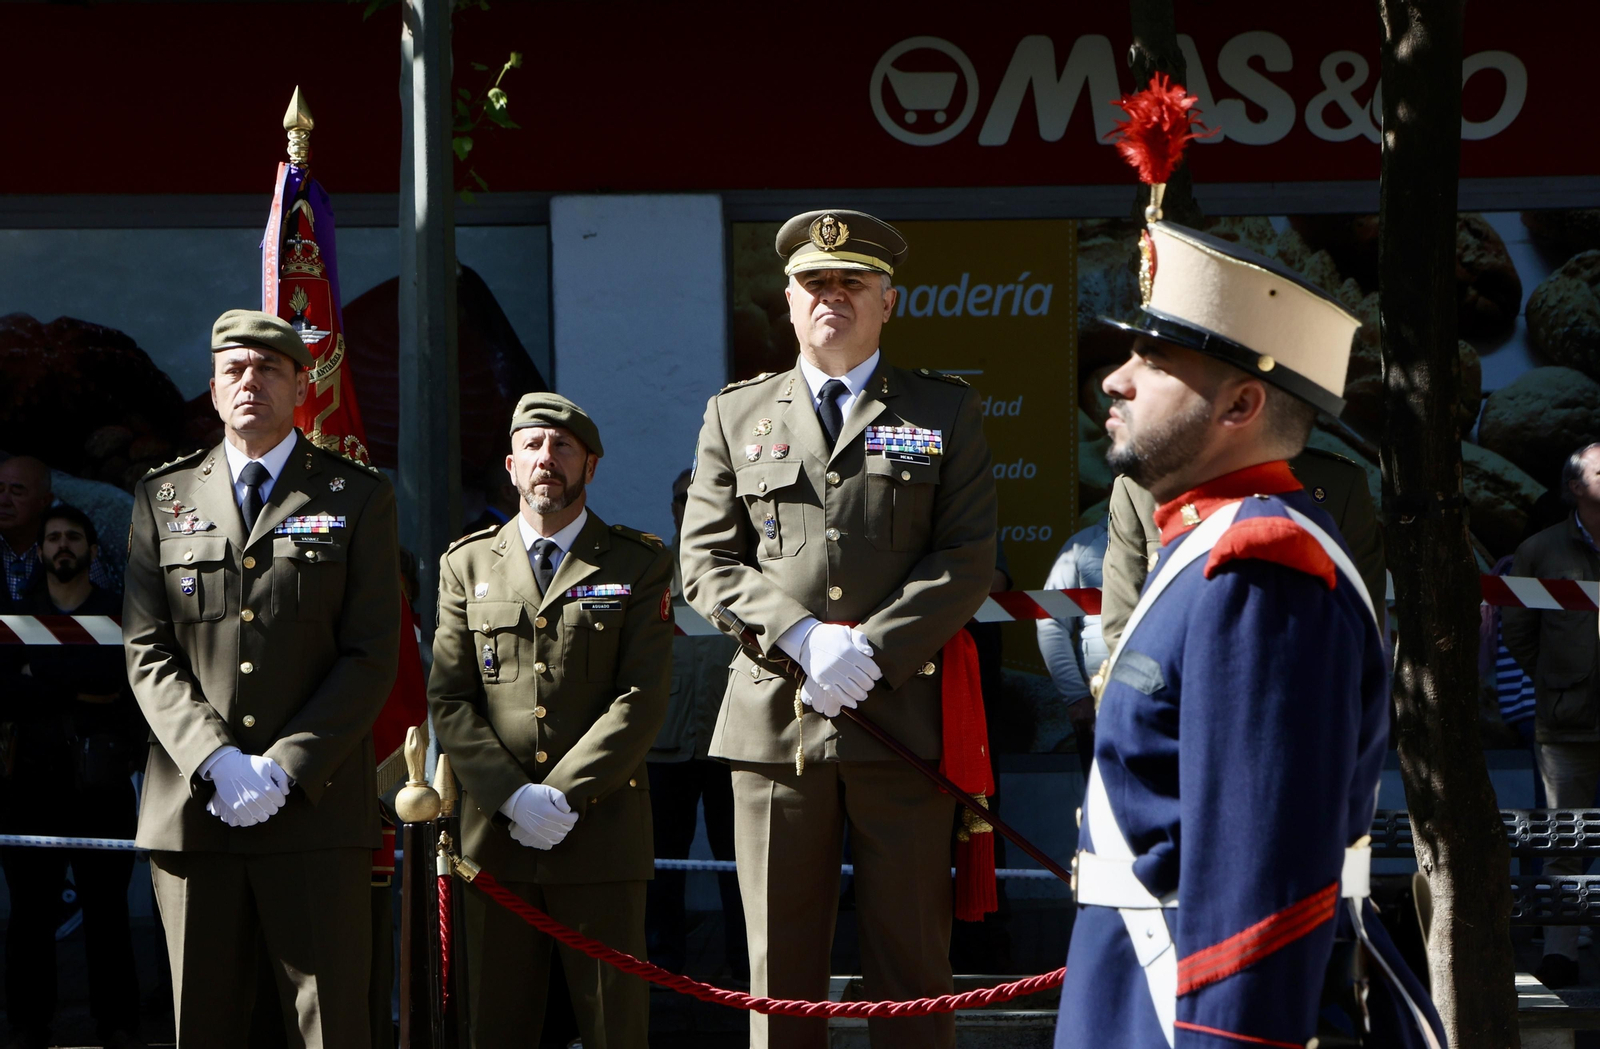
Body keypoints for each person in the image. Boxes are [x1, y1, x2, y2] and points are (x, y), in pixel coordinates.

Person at [1056, 221, 1442, 1048]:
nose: (1116, 380)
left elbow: (1260, 885)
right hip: (1139, 988)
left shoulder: (1258, 570)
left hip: (1185, 1008)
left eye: (1154, 360)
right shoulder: (1203, 544)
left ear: (1241, 404)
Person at [680, 209, 998, 1049]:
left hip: (901, 720)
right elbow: (706, 559)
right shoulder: (736, 414)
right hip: (774, 726)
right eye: (814, 283)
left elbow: (967, 557)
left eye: (852, 282)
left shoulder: (944, 410)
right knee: (779, 974)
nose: (832, 296)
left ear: (888, 300)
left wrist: (870, 648)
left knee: (912, 965)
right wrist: (801, 635)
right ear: (787, 302)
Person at [122, 309, 401, 1049]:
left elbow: (372, 651)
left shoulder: (356, 496)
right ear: (214, 390)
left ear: (302, 387)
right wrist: (214, 758)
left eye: (270, 368)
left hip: (315, 809)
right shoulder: (163, 497)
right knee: (204, 1022)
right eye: (235, 369)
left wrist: (287, 765)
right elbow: (147, 648)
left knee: (328, 1025)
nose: (251, 381)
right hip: (195, 808)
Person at [428, 392, 673, 1049]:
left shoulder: (638, 562)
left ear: (590, 466)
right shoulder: (466, 563)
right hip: (495, 842)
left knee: (614, 1027)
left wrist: (562, 794)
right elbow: (450, 698)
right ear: (511, 465)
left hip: (600, 834)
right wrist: (512, 797)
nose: (547, 458)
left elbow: (642, 694)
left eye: (564, 446)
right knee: (494, 1024)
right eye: (532, 445)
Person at [1, 505, 146, 1049]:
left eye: (74, 537)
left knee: (108, 913)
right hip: (29, 788)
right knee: (29, 915)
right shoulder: (15, 617)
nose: (63, 545)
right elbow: (4, 694)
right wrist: (79, 688)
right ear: (39, 551)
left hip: (102, 788)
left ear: (91, 549)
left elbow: (127, 690)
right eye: (53, 537)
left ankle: (119, 1025)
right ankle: (27, 1025)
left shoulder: (121, 616)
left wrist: (39, 676)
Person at [1100, 448, 1384, 658]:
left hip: (1301, 699)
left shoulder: (1338, 484)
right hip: (1180, 700)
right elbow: (1122, 621)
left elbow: (1360, 625)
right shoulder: (1139, 488)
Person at [1502, 441, 1600, 989]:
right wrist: (1559, 681)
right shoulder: (1539, 550)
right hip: (1567, 722)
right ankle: (1561, 952)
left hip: (1567, 714)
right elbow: (1518, 632)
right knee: (1565, 838)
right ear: (1575, 487)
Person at [647, 468, 746, 977]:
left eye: (702, 495)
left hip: (734, 738)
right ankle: (661, 967)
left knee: (741, 861)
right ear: (673, 508)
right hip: (664, 739)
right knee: (661, 862)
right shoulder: (650, 569)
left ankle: (746, 968)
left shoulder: (747, 566)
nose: (691, 504)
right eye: (683, 497)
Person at [1037, 521, 1108, 777]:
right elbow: (1051, 622)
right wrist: (1076, 697)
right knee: (1103, 794)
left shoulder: (1182, 535)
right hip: (1100, 707)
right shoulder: (1082, 545)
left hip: (1173, 699)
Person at [0, 456, 52, 607]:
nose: (3, 501)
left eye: (17, 492)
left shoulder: (66, 546)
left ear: (44, 500)